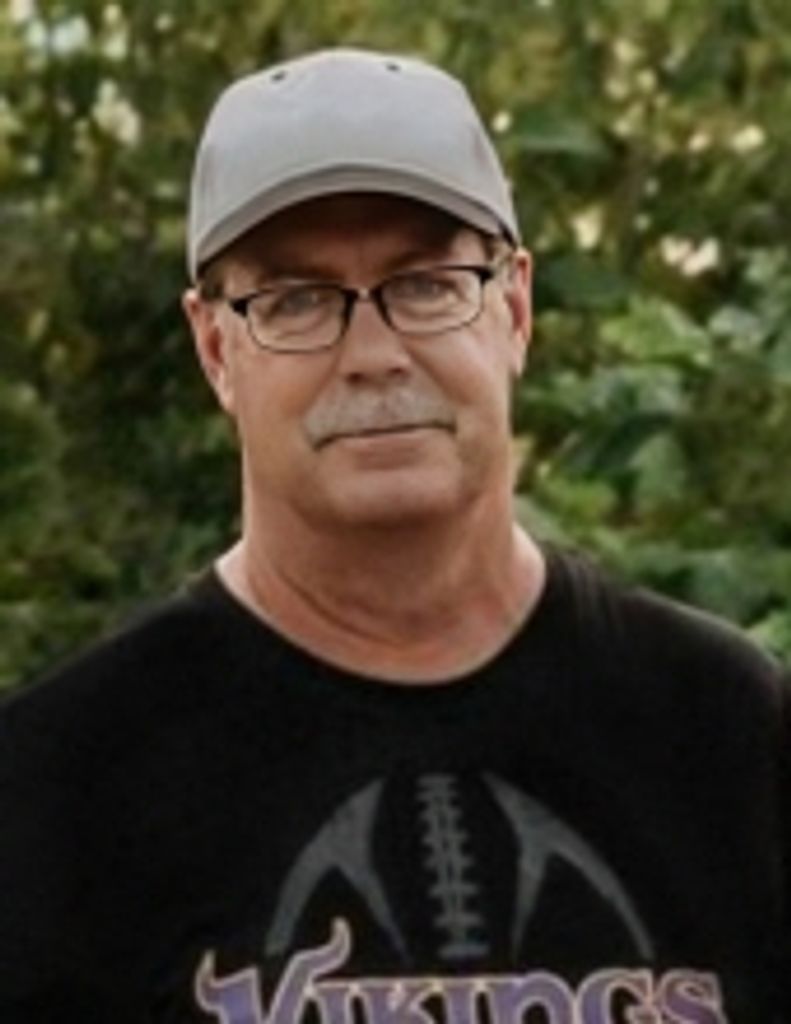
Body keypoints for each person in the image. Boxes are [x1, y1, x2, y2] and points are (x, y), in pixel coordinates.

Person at [0, 46, 788, 1024]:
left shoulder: (726, 732)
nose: (372, 354)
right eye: (295, 300)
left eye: (424, 283)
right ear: (214, 348)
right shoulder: (59, 787)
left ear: (514, 308)